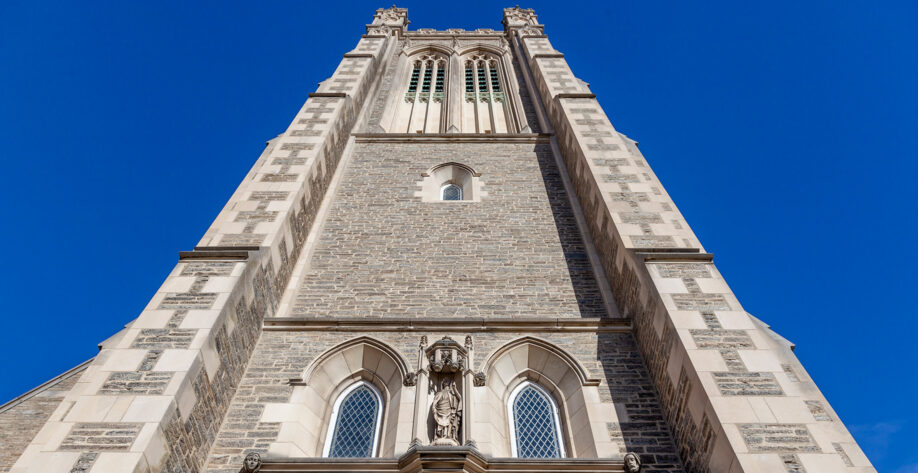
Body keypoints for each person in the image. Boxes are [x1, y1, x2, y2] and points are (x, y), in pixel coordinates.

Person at [432, 378, 462, 444]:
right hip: (441, 412)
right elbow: (435, 403)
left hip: (450, 412)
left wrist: (454, 389)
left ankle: (448, 436)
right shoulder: (440, 393)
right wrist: (434, 411)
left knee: (449, 424)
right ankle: (442, 436)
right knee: (442, 425)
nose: (447, 386)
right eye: (445, 384)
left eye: (447, 384)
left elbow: (460, 398)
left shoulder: (452, 393)